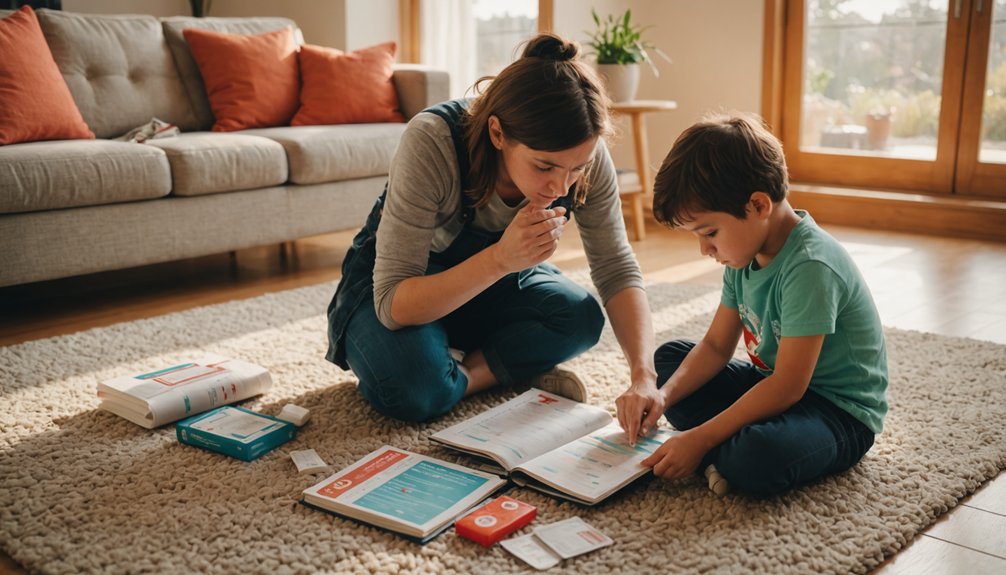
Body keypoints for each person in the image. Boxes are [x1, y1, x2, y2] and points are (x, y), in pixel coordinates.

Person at [324, 33, 657, 423]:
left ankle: (464, 375)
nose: (560, 187)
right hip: (399, 288)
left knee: (580, 318)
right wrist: (500, 259)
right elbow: (394, 305)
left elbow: (616, 266)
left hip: (491, 281)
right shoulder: (433, 141)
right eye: (544, 166)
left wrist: (644, 376)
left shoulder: (581, 152)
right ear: (498, 133)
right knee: (415, 389)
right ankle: (479, 371)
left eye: (577, 170)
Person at [615, 113, 888, 496]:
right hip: (771, 384)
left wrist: (700, 438)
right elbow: (714, 347)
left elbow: (789, 387)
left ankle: (725, 449)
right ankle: (726, 445)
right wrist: (662, 396)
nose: (705, 249)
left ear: (759, 205)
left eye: (710, 233)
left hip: (836, 412)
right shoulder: (745, 254)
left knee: (756, 456)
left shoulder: (811, 265)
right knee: (670, 362)